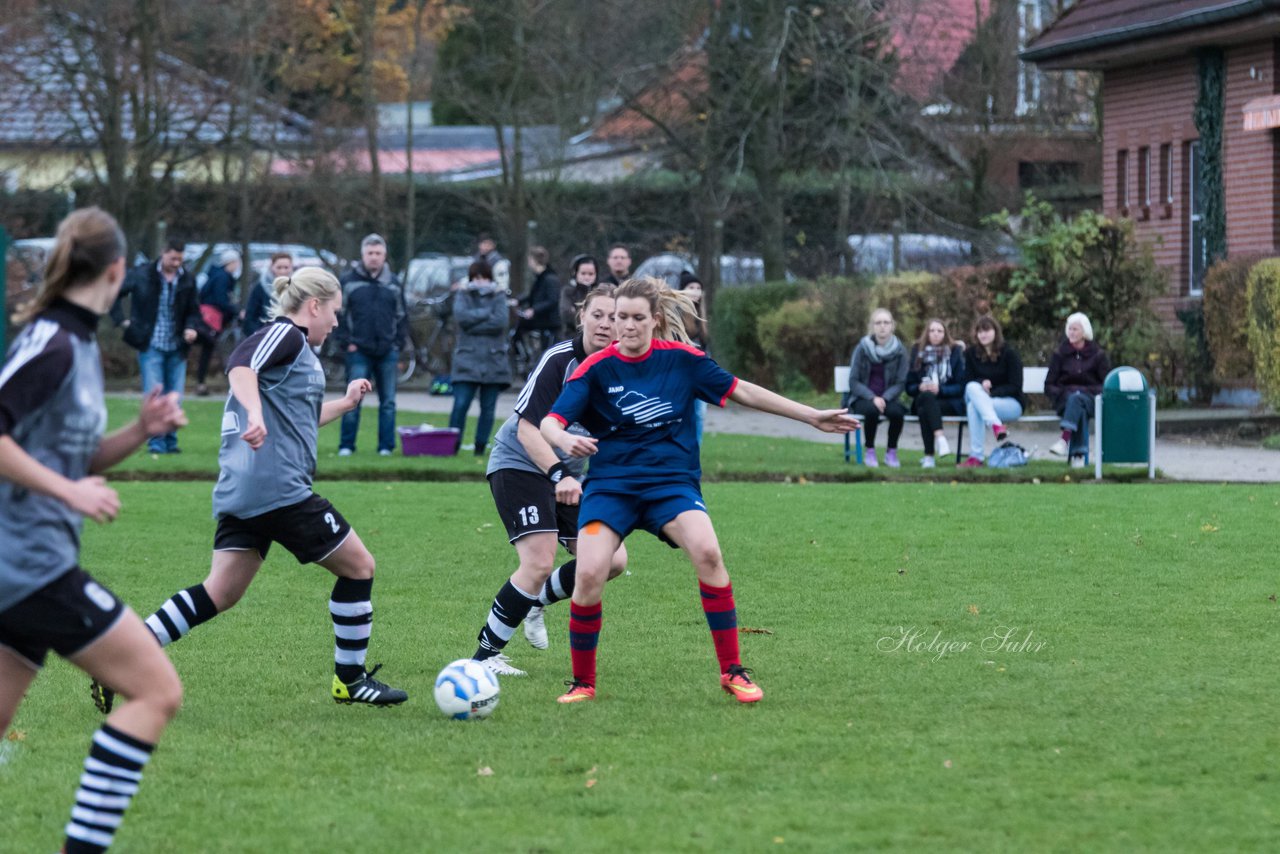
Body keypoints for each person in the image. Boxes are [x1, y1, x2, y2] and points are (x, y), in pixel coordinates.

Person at [91, 267, 408, 715]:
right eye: (334, 312)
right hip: (278, 488)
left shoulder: (293, 349)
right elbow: (241, 364)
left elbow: (297, 418)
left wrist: (345, 403)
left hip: (243, 489)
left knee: (220, 592)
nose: (336, 323)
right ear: (314, 306)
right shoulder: (288, 336)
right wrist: (254, 413)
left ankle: (117, 661)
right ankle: (351, 680)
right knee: (359, 567)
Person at [539, 276, 860, 704]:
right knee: (591, 572)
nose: (625, 327)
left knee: (708, 553)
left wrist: (811, 416)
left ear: (654, 320)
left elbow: (743, 389)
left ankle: (733, 671)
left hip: (671, 485)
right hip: (612, 487)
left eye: (636, 318)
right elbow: (549, 422)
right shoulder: (594, 369)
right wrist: (563, 441)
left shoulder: (683, 360)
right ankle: (583, 682)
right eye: (619, 318)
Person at [1, 207, 187, 853]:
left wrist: (141, 431)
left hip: (24, 567)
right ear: (115, 271)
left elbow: (67, 456)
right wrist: (67, 491)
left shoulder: (73, 344)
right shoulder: (52, 342)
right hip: (28, 565)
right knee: (156, 689)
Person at [471, 286, 629, 677]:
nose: (606, 324)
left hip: (570, 478)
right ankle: (483, 658)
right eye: (598, 315)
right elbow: (528, 429)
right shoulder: (560, 360)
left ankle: (535, 601)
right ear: (582, 317)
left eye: (614, 317)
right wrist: (558, 473)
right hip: (521, 463)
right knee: (539, 559)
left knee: (612, 559)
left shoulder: (622, 368)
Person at [110, 238, 200, 454]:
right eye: (173, 258)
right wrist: (122, 321)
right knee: (154, 396)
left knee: (175, 396)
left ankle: (171, 440)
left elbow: (194, 311)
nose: (177, 263)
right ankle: (156, 442)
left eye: (180, 259)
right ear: (163, 253)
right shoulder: (142, 274)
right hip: (150, 344)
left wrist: (191, 327)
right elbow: (115, 293)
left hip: (177, 345)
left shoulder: (187, 279)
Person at [335, 234, 408, 457]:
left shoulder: (394, 283)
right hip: (358, 350)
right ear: (363, 255)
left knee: (388, 402)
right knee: (352, 400)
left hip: (388, 350)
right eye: (370, 253)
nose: (374, 257)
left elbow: (402, 315)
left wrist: (398, 343)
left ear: (384, 255)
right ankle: (346, 445)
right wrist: (346, 343)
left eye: (378, 253)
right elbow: (339, 313)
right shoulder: (348, 281)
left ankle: (386, 447)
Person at [444, 261, 512, 456]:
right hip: (467, 359)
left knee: (488, 408)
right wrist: (486, 314)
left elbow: (501, 322)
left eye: (484, 277)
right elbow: (461, 318)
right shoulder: (463, 294)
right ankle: (451, 446)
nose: (480, 282)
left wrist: (474, 322)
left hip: (493, 362)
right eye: (476, 277)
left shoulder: (499, 295)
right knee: (460, 404)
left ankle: (480, 447)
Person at [845, 308, 908, 468]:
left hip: (888, 398)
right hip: (864, 398)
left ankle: (891, 452)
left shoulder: (900, 351)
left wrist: (885, 398)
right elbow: (853, 381)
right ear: (872, 326)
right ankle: (870, 451)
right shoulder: (862, 348)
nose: (882, 326)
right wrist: (873, 398)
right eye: (878, 323)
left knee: (897, 413)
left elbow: (901, 382)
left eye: (886, 322)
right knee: (871, 410)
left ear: (892, 326)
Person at [1046, 312, 1110, 466]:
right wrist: (1065, 394)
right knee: (1076, 403)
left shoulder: (1098, 355)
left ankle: (1065, 440)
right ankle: (1079, 457)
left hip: (1091, 401)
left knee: (1079, 400)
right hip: (1065, 401)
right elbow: (1049, 385)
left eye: (1075, 329)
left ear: (1085, 331)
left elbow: (1106, 385)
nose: (1071, 332)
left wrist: (1084, 392)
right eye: (1069, 329)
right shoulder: (1060, 354)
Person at [960, 315, 1025, 467]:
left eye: (987, 330)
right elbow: (967, 381)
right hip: (981, 401)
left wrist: (992, 392)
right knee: (971, 388)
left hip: (1010, 403)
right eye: (979, 331)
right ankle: (996, 425)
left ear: (995, 331)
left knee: (974, 406)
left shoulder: (1009, 354)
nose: (983, 334)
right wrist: (981, 383)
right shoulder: (971, 354)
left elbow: (1015, 386)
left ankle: (976, 457)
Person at [905, 318, 965, 468]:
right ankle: (940, 438)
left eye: (939, 331)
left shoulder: (955, 352)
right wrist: (920, 387)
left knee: (924, 409)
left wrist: (941, 389)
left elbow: (961, 386)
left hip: (948, 401)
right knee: (926, 398)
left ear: (945, 334)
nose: (936, 334)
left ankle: (929, 457)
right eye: (932, 331)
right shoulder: (917, 351)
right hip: (922, 397)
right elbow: (908, 386)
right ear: (927, 333)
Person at [194, 248, 241, 396]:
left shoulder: (214, 275)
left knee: (207, 351)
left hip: (207, 318)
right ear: (232, 263)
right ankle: (202, 383)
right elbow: (221, 300)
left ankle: (201, 383)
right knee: (211, 350)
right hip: (211, 320)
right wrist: (236, 310)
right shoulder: (223, 277)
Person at [678, 271, 711, 443]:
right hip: (682, 372)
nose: (696, 292)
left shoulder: (702, 318)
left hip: (699, 372)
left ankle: (695, 449)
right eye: (691, 288)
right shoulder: (677, 317)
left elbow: (706, 349)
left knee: (700, 414)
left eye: (699, 288)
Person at [515, 245, 561, 357]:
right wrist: (518, 301)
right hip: (541, 320)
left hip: (548, 323)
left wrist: (534, 310)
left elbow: (552, 300)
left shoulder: (549, 279)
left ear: (533, 260)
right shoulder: (540, 278)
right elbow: (533, 295)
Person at [242, 252, 292, 337]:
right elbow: (250, 316)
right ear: (272, 267)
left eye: (286, 267)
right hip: (264, 334)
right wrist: (257, 335)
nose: (283, 271)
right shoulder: (261, 286)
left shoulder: (296, 287)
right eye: (279, 267)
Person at [558, 254, 597, 338]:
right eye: (583, 273)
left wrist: (576, 312)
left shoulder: (600, 292)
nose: (587, 277)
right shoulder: (568, 291)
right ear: (575, 273)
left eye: (591, 274)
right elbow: (566, 315)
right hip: (572, 337)